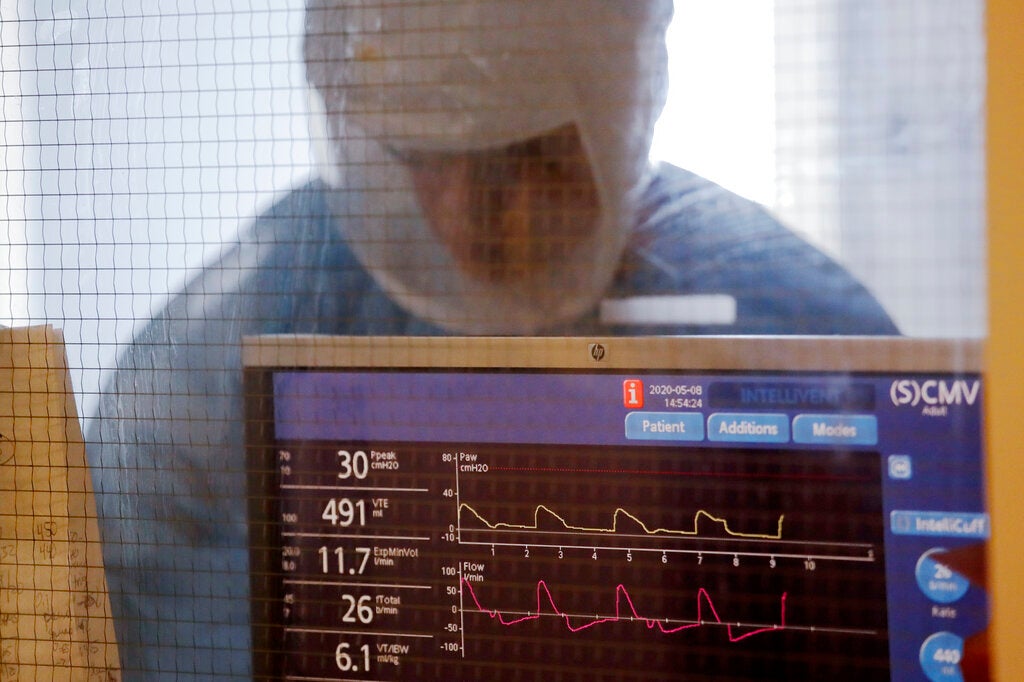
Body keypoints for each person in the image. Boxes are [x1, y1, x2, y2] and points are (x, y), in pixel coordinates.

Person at [88, 1, 898, 679]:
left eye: (526, 155)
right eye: (422, 157)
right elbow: (130, 586)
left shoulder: (786, 326)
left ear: (622, 115)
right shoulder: (271, 305)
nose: (467, 218)